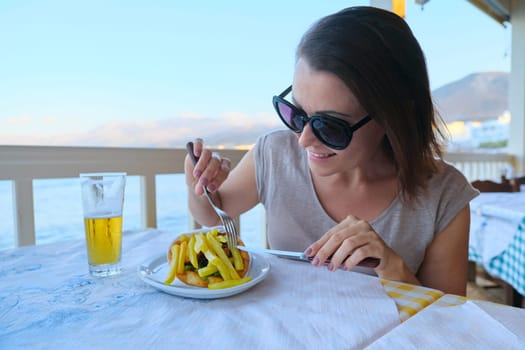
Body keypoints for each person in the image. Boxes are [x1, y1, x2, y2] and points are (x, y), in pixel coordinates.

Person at [184, 6, 478, 296]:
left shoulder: (443, 195)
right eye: (296, 114)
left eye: (331, 126)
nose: (303, 140)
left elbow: (449, 322)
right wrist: (197, 183)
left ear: (393, 117)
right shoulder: (275, 153)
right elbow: (212, 215)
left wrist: (391, 266)